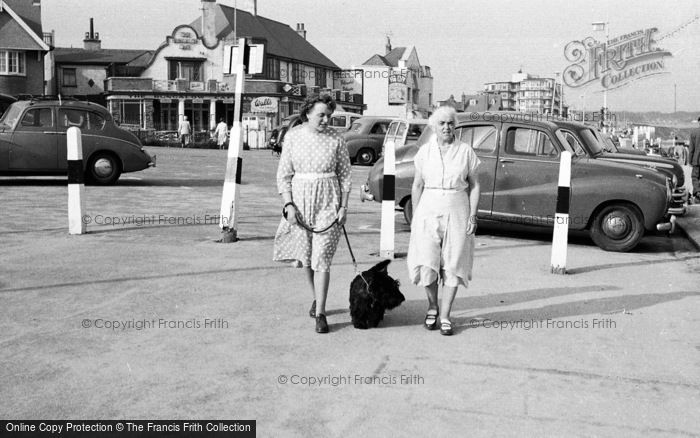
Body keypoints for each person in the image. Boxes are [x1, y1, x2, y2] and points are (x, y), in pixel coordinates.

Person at [272, 95, 352, 334]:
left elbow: (346, 176)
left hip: (329, 202)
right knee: (306, 257)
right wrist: (288, 205)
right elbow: (284, 174)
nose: (326, 119)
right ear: (307, 113)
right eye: (321, 115)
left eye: (329, 115)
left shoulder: (337, 138)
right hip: (300, 203)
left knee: (322, 259)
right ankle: (315, 296)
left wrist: (343, 207)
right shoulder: (293, 137)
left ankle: (321, 313)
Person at [406, 106, 481, 336]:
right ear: (434, 127)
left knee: (453, 263)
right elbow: (417, 185)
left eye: (450, 123)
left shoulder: (465, 151)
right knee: (427, 261)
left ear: (455, 125)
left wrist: (473, 215)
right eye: (442, 124)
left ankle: (446, 315)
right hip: (428, 209)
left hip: (457, 209)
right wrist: (416, 216)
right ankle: (432, 307)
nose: (446, 127)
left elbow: (475, 185)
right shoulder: (424, 152)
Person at [689, 117, 700, 202]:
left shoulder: (694, 133)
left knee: (695, 177)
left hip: (696, 160)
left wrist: (690, 161)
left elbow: (691, 149)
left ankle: (697, 193)